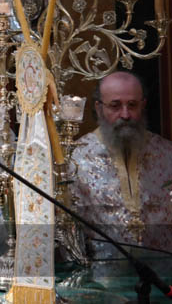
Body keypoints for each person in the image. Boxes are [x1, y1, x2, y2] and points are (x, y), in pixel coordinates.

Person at [70, 71, 172, 259]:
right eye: (115, 106)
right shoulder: (76, 159)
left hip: (163, 274)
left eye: (132, 105)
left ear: (143, 106)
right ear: (99, 108)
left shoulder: (166, 154)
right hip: (101, 278)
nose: (125, 114)